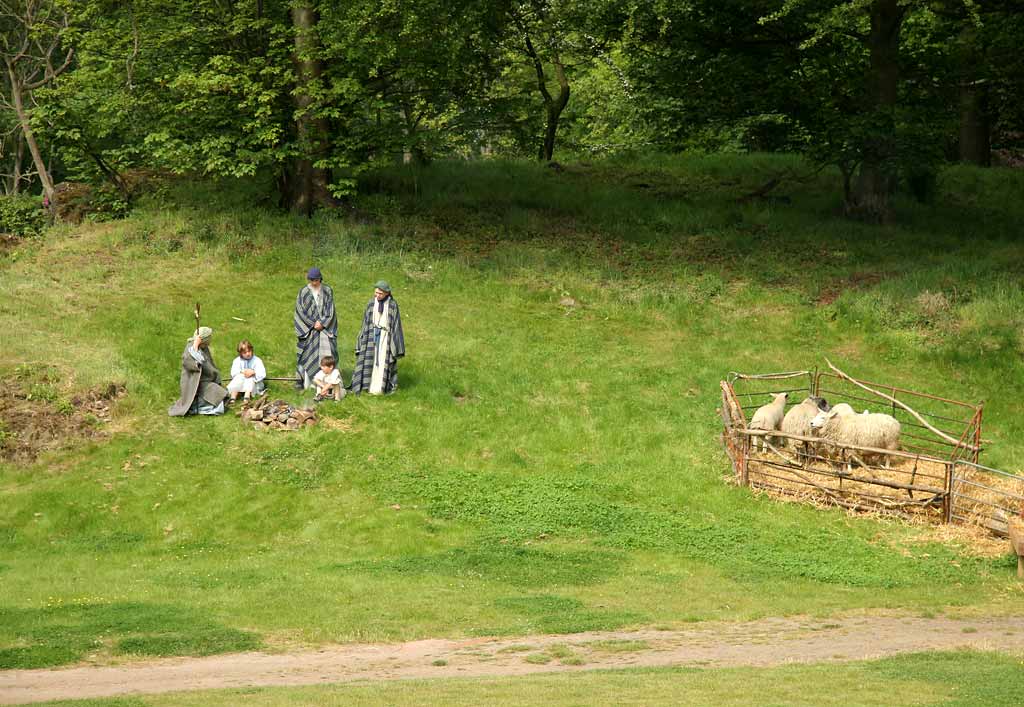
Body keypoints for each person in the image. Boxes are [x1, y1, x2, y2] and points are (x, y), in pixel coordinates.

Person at [351, 280, 405, 395]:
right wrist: (362, 338)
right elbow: (365, 322)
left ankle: (379, 388)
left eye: (380, 293)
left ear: (386, 293)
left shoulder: (392, 305)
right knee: (369, 360)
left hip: (385, 337)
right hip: (371, 335)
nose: (377, 295)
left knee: (382, 362)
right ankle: (367, 386)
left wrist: (395, 344)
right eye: (376, 292)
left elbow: (396, 325)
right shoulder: (371, 303)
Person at [294, 267, 338, 390]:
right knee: (306, 354)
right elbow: (300, 311)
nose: (314, 282)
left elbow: (331, 310)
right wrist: (313, 324)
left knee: (328, 353)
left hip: (324, 329)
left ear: (320, 279)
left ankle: (329, 382)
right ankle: (306, 382)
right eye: (312, 280)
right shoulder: (303, 292)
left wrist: (322, 323)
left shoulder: (328, 290)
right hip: (309, 330)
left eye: (316, 280)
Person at [168, 326, 228, 416]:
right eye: (209, 337)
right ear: (204, 339)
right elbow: (193, 363)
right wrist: (195, 346)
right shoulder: (190, 348)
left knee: (222, 394)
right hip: (195, 384)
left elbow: (208, 364)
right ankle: (201, 408)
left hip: (205, 380)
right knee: (217, 393)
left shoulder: (204, 347)